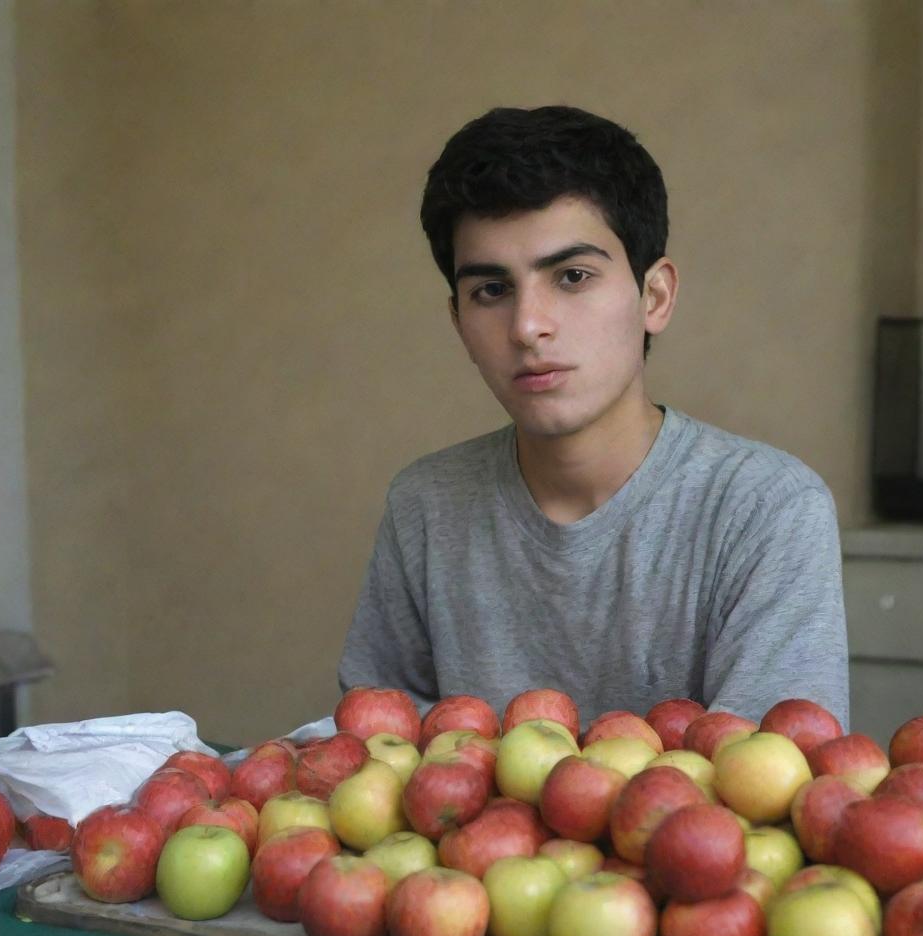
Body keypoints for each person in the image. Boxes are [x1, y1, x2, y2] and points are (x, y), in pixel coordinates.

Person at [338, 105, 849, 731]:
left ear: (654, 296)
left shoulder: (764, 507)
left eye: (572, 276)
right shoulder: (425, 505)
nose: (528, 327)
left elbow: (769, 788)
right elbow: (371, 758)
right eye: (491, 291)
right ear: (457, 320)